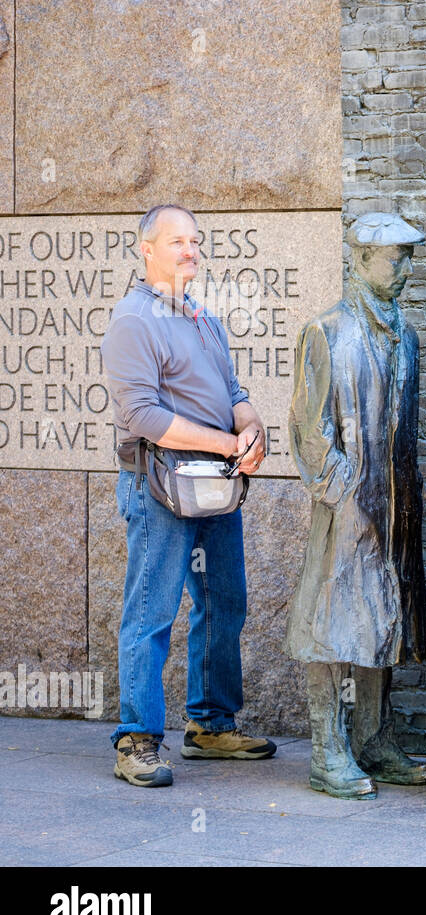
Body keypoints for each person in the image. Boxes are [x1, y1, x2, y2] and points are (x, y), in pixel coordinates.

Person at [102, 204, 274, 788]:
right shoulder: (134, 319)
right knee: (151, 612)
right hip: (159, 486)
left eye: (195, 241)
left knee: (225, 602)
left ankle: (210, 726)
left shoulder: (202, 316)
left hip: (215, 486)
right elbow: (144, 415)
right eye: (178, 241)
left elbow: (233, 389)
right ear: (146, 248)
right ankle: (137, 740)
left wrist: (251, 430)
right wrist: (229, 442)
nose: (191, 251)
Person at [285, 212, 426, 799]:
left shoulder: (409, 335)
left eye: (406, 257)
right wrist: (341, 490)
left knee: (383, 616)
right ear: (357, 259)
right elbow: (307, 424)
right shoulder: (328, 331)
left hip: (396, 502)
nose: (400, 268)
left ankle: (374, 739)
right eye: (388, 256)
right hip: (349, 506)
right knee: (333, 623)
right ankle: (329, 748)